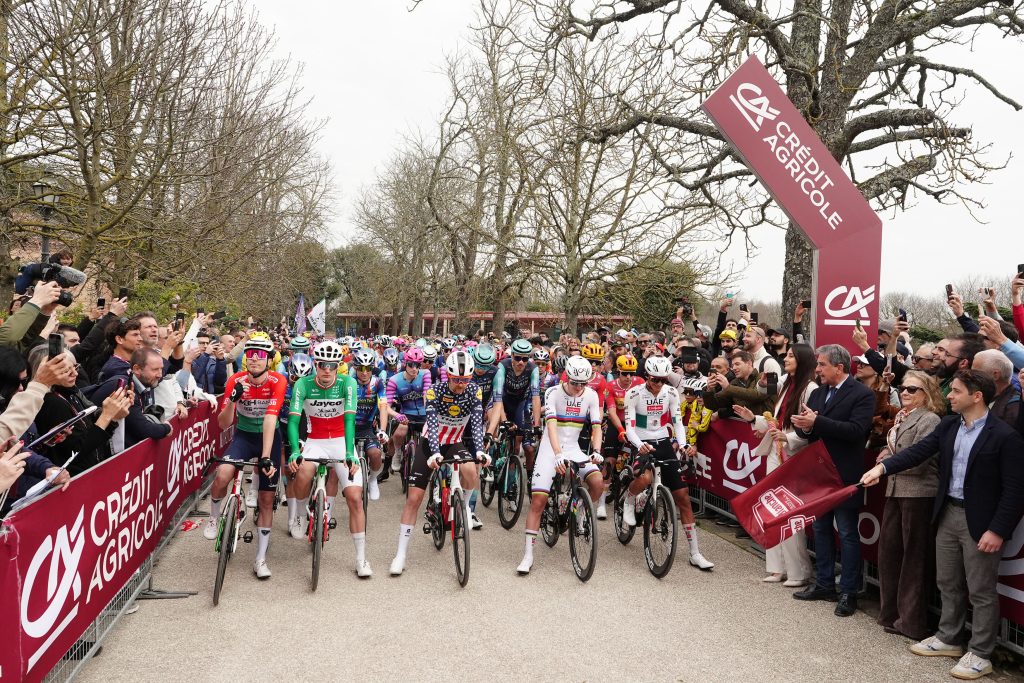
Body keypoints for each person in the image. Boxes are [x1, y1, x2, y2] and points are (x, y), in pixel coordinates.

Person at [862, 370, 1024, 681]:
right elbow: (917, 453)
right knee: (947, 581)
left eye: (957, 391)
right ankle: (949, 637)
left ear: (976, 397)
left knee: (981, 590)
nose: (948, 395)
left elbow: (1015, 490)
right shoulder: (949, 426)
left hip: (981, 522)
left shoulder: (1005, 436)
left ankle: (980, 653)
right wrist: (883, 467)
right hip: (947, 512)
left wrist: (997, 530)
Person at [790, 344, 875, 617]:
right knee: (822, 528)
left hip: (845, 474)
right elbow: (810, 431)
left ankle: (849, 591)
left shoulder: (862, 394)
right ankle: (824, 583)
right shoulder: (819, 393)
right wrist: (802, 426)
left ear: (839, 367)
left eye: (822, 365)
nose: (817, 370)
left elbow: (856, 431)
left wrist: (817, 422)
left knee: (848, 533)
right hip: (819, 473)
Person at [389, 350, 488, 576]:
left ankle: (462, 508)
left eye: (465, 379)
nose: (461, 384)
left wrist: (480, 450)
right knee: (414, 499)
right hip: (430, 442)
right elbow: (432, 425)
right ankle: (400, 555)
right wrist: (434, 453)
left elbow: (475, 424)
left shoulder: (474, 391)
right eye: (456, 379)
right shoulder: (435, 391)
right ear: (448, 376)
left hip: (454, 442)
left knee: (471, 470)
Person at [733, 343, 818, 587]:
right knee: (771, 509)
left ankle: (799, 571)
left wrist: (788, 438)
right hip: (775, 452)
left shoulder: (809, 389)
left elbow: (808, 428)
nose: (786, 358)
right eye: (787, 355)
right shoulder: (786, 385)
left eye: (791, 355)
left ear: (802, 360)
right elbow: (775, 420)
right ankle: (777, 567)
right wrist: (753, 419)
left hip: (793, 456)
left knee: (788, 512)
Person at [207, 333, 287, 580]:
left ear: (268, 359)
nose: (254, 359)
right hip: (242, 437)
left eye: (260, 355)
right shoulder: (236, 380)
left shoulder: (277, 381)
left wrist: (265, 457)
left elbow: (271, 418)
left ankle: (260, 559)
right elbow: (223, 424)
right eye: (250, 354)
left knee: (265, 499)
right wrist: (232, 400)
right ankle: (213, 519)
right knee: (222, 474)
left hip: (269, 439)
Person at [872, 370, 945, 641]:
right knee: (889, 554)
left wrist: (888, 462)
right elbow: (899, 450)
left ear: (927, 393)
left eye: (912, 389)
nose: (904, 392)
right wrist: (887, 454)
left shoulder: (931, 419)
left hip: (919, 494)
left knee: (914, 559)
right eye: (903, 388)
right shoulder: (903, 417)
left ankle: (912, 621)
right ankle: (890, 614)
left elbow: (920, 460)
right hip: (895, 488)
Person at [287, 341, 370, 577]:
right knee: (302, 471)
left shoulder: (348, 383)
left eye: (332, 365)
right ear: (315, 364)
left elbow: (350, 420)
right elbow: (293, 421)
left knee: (354, 498)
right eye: (322, 364)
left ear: (338, 367)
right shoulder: (303, 384)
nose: (326, 370)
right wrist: (295, 450)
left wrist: (348, 453)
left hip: (341, 441)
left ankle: (361, 559)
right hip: (315, 440)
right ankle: (302, 514)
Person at [623, 356, 714, 570]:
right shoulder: (634, 394)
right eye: (655, 380)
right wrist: (639, 445)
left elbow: (678, 423)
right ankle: (629, 500)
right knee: (645, 478)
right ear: (646, 377)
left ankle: (695, 553)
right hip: (641, 440)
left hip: (663, 441)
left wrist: (682, 445)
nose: (659, 384)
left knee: (682, 497)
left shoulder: (671, 393)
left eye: (664, 380)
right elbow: (630, 427)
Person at [517, 356, 603, 575]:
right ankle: (528, 555)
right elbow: (552, 427)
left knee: (597, 482)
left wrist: (596, 451)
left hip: (573, 447)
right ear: (566, 377)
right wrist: (556, 454)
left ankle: (580, 512)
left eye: (583, 384)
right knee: (539, 500)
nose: (578, 388)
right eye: (575, 383)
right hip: (550, 447)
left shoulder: (591, 395)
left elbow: (596, 427)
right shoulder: (553, 392)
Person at [27, 348, 132, 475]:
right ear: (46, 372)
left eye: (75, 367)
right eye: (66, 370)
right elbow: (77, 452)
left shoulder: (70, 392)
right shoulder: (51, 402)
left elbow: (91, 434)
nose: (75, 374)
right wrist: (107, 415)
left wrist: (114, 414)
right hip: (73, 479)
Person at [350, 347, 390, 502]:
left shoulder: (378, 383)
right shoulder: (349, 382)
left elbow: (383, 406)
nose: (365, 372)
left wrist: (383, 430)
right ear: (355, 367)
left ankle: (372, 479)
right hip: (349, 428)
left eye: (368, 368)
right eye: (361, 368)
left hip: (367, 428)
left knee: (375, 454)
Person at [971, 349, 1019, 430]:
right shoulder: (983, 396)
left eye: (976, 373)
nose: (971, 376)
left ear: (995, 375)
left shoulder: (1013, 408)